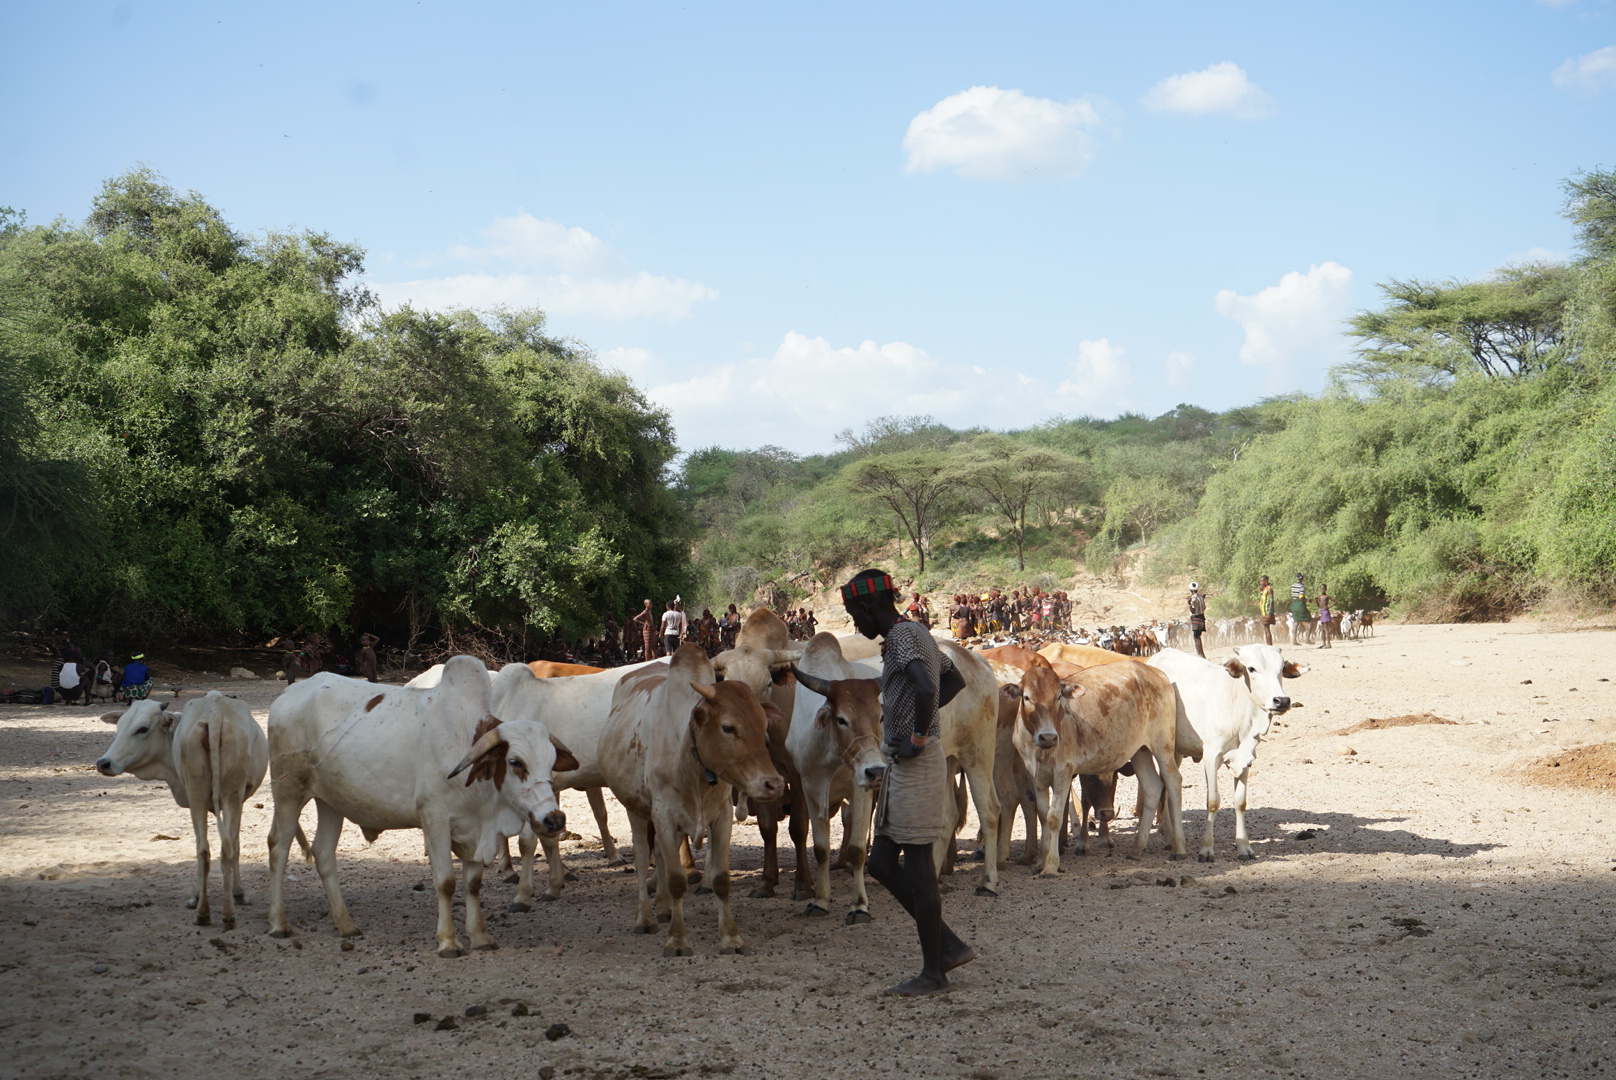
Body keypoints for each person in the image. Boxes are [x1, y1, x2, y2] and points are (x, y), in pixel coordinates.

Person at [841, 568, 973, 996]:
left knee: (918, 870)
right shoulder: (914, 633)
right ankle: (947, 945)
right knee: (880, 863)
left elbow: (923, 686)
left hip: (916, 761)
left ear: (867, 606)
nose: (855, 624)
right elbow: (951, 678)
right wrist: (920, 724)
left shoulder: (901, 638)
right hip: (903, 761)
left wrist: (918, 734)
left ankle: (934, 973)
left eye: (853, 614)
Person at [1187, 582, 1208, 659]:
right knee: (1198, 636)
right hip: (1202, 617)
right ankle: (1201, 654)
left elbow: (1193, 610)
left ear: (1190, 590)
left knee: (1196, 637)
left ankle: (1200, 654)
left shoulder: (1193, 599)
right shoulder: (1201, 597)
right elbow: (1204, 607)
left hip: (1196, 618)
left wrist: (1189, 604)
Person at [1289, 574, 1310, 646]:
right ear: (1302, 578)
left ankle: (1294, 641)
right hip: (1300, 604)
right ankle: (1307, 640)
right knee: (1309, 621)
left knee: (1296, 623)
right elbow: (1301, 597)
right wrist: (1307, 601)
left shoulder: (1293, 585)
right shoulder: (1302, 586)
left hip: (1294, 604)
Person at [1257, 575, 1276, 646]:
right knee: (1266, 629)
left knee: (1266, 629)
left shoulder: (1269, 589)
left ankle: (1269, 645)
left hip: (1267, 611)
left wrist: (1269, 612)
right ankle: (1269, 645)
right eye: (1260, 581)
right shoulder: (1264, 589)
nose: (1261, 582)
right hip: (1264, 612)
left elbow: (1271, 600)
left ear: (1266, 581)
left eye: (1262, 581)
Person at [1316, 584, 1334, 650]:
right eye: (1321, 589)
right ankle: (1324, 644)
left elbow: (1336, 601)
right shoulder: (1319, 597)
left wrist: (1329, 607)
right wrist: (1316, 601)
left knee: (1326, 628)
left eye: (1323, 589)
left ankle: (1328, 644)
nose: (1322, 590)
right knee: (1322, 628)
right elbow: (1319, 605)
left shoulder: (1327, 596)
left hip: (1325, 612)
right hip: (1321, 611)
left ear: (1326, 589)